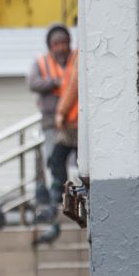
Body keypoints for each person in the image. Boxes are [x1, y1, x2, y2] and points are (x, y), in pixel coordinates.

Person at [28, 24, 75, 211]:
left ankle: (75, 197)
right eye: (57, 44)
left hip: (73, 122)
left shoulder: (75, 60)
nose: (61, 47)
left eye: (64, 43)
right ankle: (57, 198)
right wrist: (55, 83)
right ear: (50, 46)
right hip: (51, 120)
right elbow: (32, 82)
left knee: (75, 162)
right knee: (53, 158)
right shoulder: (41, 62)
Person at [51, 48, 80, 199]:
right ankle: (68, 194)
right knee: (77, 161)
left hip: (74, 120)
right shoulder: (77, 53)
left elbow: (73, 85)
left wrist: (61, 111)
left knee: (57, 158)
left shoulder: (79, 54)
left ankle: (64, 196)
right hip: (76, 119)